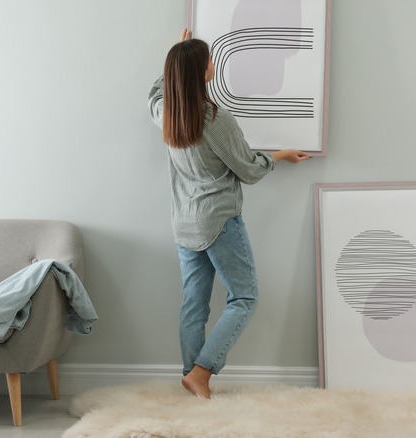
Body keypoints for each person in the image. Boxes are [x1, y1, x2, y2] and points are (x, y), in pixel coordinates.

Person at [148, 28, 311, 399]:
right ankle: (202, 373)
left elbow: (154, 94)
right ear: (198, 72)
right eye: (207, 60)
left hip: (184, 222)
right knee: (245, 298)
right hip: (218, 220)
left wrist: (176, 52)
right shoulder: (215, 119)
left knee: (194, 304)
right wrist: (280, 157)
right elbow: (250, 170)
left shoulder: (165, 112)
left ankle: (191, 378)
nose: (213, 63)